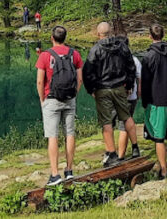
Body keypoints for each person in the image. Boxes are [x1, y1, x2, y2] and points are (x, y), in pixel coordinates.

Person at [84, 22, 139, 167]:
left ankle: (112, 153)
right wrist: (129, 84)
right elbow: (130, 66)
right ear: (111, 32)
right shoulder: (122, 46)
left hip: (102, 89)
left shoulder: (95, 50)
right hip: (120, 87)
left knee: (106, 122)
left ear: (98, 34)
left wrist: (91, 89)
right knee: (126, 116)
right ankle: (135, 148)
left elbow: (88, 72)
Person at [36, 25, 84, 186]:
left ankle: (55, 174)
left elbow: (40, 81)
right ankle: (69, 171)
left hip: (51, 99)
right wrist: (74, 93)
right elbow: (80, 79)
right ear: (65, 38)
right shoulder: (74, 54)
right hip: (70, 98)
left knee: (53, 136)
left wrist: (42, 98)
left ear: (52, 38)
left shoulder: (45, 56)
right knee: (69, 133)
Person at [141, 24, 167, 179]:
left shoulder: (149, 56)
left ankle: (164, 170)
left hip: (156, 101)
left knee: (159, 138)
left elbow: (145, 82)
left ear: (150, 36)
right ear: (163, 35)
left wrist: (145, 101)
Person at [116, 53, 142, 160]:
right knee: (127, 122)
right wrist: (138, 94)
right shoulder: (135, 60)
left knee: (123, 125)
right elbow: (140, 79)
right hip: (132, 96)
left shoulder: (115, 60)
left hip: (119, 97)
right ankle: (133, 148)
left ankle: (121, 156)